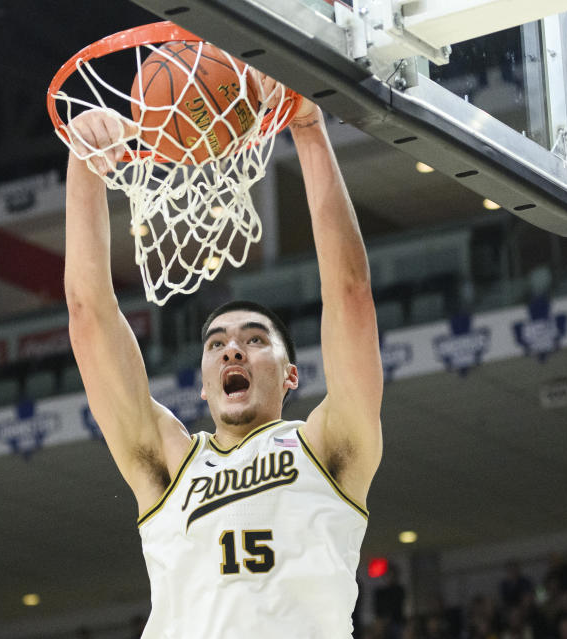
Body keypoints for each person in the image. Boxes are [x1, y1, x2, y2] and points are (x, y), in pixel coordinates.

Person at [64, 72, 383, 638]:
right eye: (217, 345)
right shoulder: (169, 465)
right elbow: (89, 317)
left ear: (290, 376)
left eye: (255, 339)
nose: (233, 346)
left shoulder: (328, 445)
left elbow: (352, 295)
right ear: (204, 387)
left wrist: (308, 128)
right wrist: (86, 167)